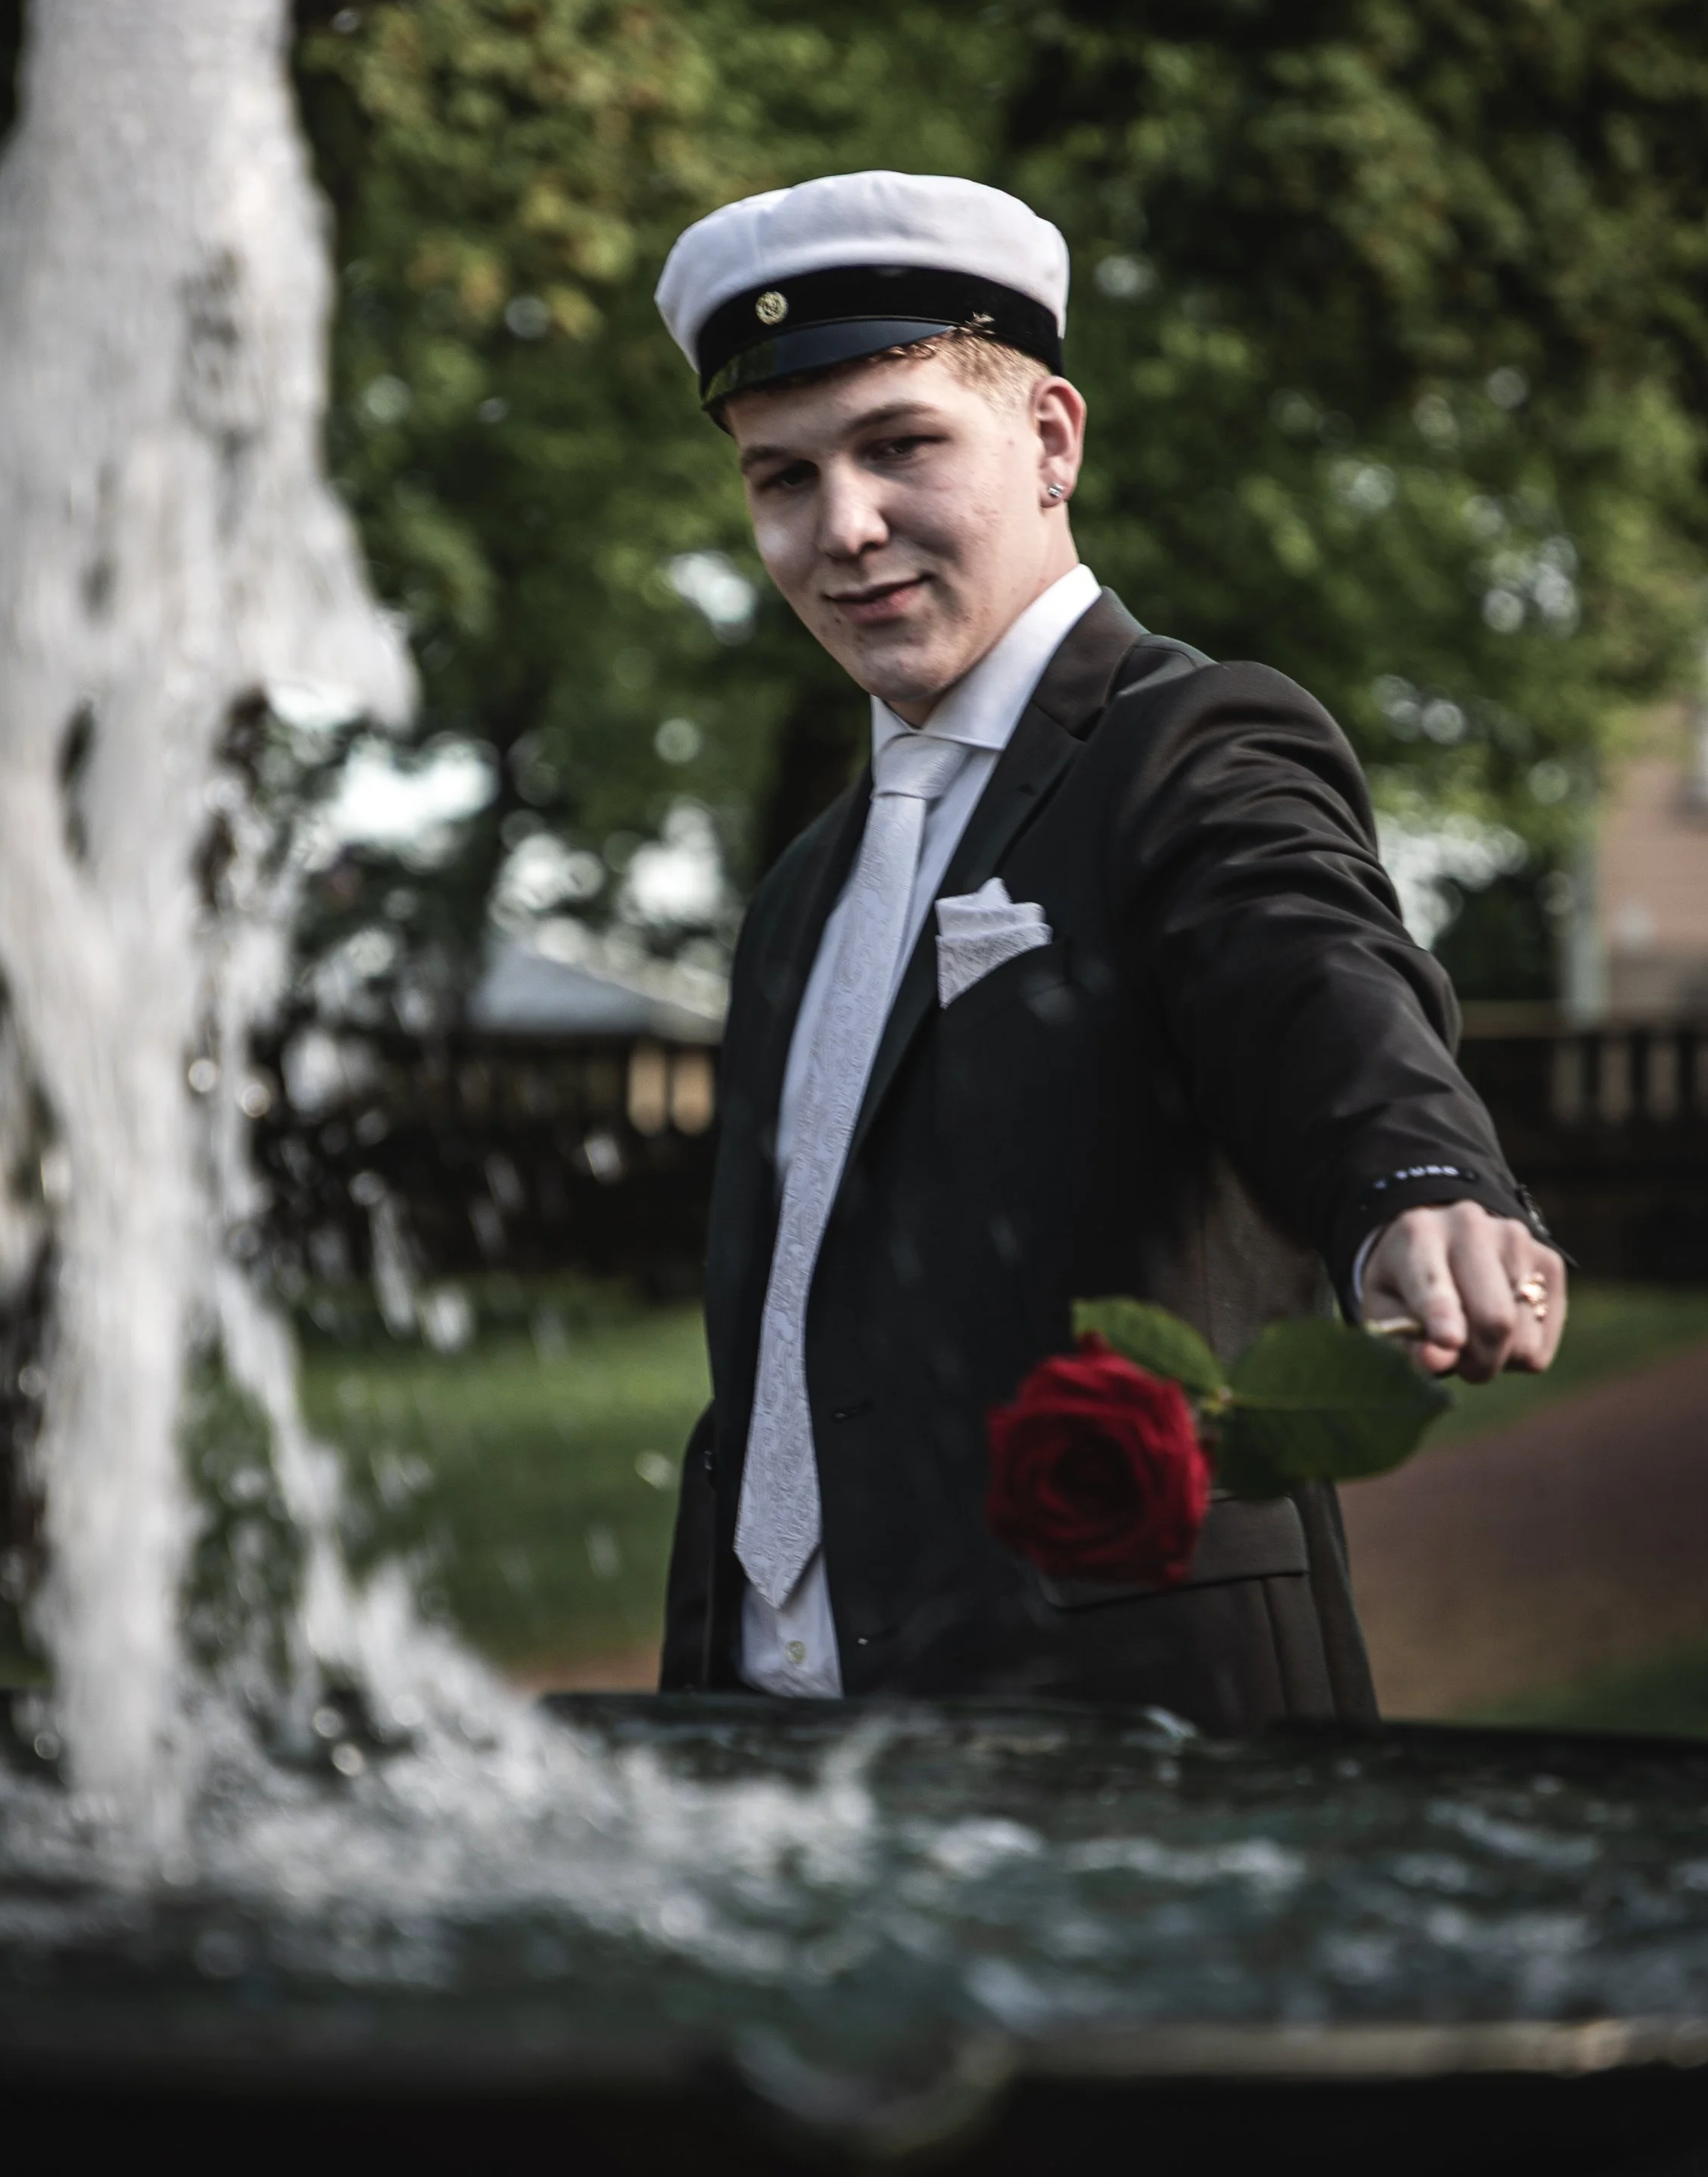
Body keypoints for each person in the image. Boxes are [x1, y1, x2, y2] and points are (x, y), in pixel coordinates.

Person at [652, 171, 1565, 1732]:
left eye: (899, 445)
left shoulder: (1189, 744)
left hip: (1122, 1721)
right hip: (762, 1720)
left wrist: (1415, 1183)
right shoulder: (802, 884)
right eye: (780, 478)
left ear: (1050, 439)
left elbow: (1304, 966)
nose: (842, 525)